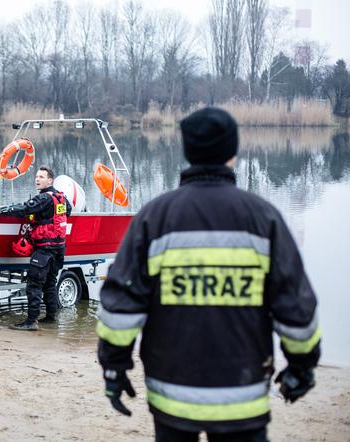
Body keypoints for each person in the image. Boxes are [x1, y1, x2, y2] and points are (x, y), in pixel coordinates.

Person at [96, 107, 320, 441]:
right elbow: (296, 308)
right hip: (242, 395)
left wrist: (114, 367)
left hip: (171, 393)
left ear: (187, 152)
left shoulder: (153, 218)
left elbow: (120, 306)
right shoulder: (264, 218)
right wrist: (302, 366)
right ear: (233, 153)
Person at [0, 166, 72, 331]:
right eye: (36, 177)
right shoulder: (62, 197)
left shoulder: (43, 198)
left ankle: (31, 322)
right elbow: (68, 212)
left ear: (50, 180)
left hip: (44, 249)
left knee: (34, 285)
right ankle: (51, 317)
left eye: (41, 177)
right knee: (50, 284)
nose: (37, 179)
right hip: (59, 248)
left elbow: (25, 209)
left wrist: (2, 210)